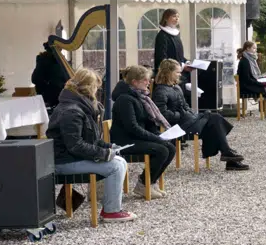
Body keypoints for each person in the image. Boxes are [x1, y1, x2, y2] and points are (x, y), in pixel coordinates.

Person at [47, 68, 134, 222]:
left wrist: (108, 147)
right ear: (88, 87)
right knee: (116, 166)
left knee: (119, 162)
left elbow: (90, 139)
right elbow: (75, 145)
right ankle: (111, 211)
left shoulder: (79, 106)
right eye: (96, 87)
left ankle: (112, 209)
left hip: (71, 157)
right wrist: (104, 154)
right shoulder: (72, 111)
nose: (97, 91)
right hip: (64, 162)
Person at [152, 59, 248, 171]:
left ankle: (228, 156)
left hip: (187, 120)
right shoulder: (160, 91)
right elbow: (161, 114)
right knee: (214, 119)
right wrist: (180, 114)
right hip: (178, 126)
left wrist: (190, 113)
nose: (180, 74)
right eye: (177, 72)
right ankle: (227, 154)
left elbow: (185, 106)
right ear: (168, 73)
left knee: (214, 122)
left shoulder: (176, 87)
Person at [111, 65, 176, 194]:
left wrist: (159, 135)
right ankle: (143, 184)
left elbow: (148, 122)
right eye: (145, 80)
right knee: (162, 150)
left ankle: (151, 182)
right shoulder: (125, 99)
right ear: (135, 82)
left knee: (170, 147)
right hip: (125, 141)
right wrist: (156, 139)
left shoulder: (140, 97)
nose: (148, 82)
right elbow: (132, 127)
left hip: (136, 138)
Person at [31, 39, 69, 108]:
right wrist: (49, 84)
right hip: (49, 97)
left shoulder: (61, 60)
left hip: (60, 96)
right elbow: (35, 79)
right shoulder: (43, 59)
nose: (61, 50)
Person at [153, 9, 187, 80]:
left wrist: (186, 62)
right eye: (174, 16)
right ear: (166, 18)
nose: (177, 18)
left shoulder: (176, 34)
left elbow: (179, 55)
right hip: (168, 75)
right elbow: (161, 58)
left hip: (178, 71)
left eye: (178, 16)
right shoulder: (162, 36)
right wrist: (182, 66)